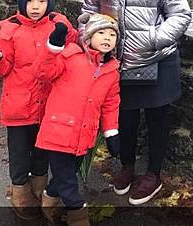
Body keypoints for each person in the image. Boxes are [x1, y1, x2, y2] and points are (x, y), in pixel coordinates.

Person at [81, 0, 192, 205]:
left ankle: (153, 174)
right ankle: (127, 168)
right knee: (124, 117)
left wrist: (150, 39)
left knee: (157, 119)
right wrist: (93, 39)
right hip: (117, 61)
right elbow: (87, 12)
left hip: (157, 59)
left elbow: (181, 15)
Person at [0, 0, 77, 220]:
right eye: (31, 1)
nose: (36, 6)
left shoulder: (58, 23)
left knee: (43, 148)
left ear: (50, 3)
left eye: (42, 1)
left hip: (49, 101)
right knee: (20, 150)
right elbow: (2, 69)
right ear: (22, 2)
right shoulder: (10, 30)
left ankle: (39, 184)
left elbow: (73, 48)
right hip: (19, 102)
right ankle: (20, 189)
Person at [35, 13, 122, 226]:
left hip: (84, 134)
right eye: (101, 33)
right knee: (68, 181)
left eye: (112, 35)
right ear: (88, 36)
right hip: (58, 131)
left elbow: (111, 104)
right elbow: (43, 73)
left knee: (67, 173)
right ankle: (77, 215)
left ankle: (49, 198)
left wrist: (111, 131)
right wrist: (52, 48)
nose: (107, 38)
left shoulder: (112, 71)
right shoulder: (70, 57)